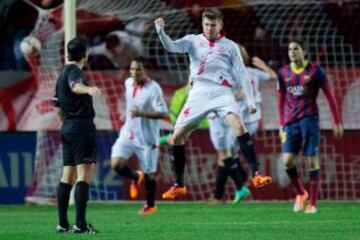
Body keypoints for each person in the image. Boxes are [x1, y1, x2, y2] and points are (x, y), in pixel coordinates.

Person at [154, 8, 272, 200]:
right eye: (207, 24)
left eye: (213, 24)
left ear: (221, 25)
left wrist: (250, 101)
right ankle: (180, 184)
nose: (209, 28)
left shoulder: (230, 46)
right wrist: (160, 31)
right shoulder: (192, 41)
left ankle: (257, 174)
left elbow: (243, 74)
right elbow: (171, 46)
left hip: (222, 92)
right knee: (177, 138)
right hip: (198, 91)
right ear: (202, 24)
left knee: (239, 126)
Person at [277, 39, 344, 214]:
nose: (292, 52)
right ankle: (301, 193)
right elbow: (281, 98)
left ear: (303, 51)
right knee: (287, 161)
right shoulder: (283, 72)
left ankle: (312, 203)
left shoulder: (315, 71)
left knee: (311, 160)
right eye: (290, 49)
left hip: (309, 121)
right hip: (290, 123)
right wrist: (281, 123)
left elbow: (330, 96)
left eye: (296, 49)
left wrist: (337, 121)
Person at [207, 45, 277, 204]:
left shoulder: (235, 74)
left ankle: (224, 193)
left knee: (224, 156)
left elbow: (237, 95)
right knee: (228, 156)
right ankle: (239, 185)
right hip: (251, 121)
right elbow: (272, 76)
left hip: (242, 122)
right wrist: (262, 65)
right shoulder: (252, 72)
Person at [53, 37, 101, 233]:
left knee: (67, 176)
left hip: (67, 127)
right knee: (84, 175)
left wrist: (69, 120)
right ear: (84, 54)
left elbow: (57, 105)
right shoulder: (74, 72)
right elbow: (75, 86)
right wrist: (89, 89)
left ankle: (62, 224)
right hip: (81, 128)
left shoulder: (61, 74)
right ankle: (80, 225)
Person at [110, 57, 168, 214]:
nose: (134, 72)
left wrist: (140, 113)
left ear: (145, 71)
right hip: (128, 132)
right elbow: (131, 104)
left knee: (149, 174)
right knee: (116, 164)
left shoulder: (153, 88)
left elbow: (163, 113)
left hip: (147, 138)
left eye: (138, 69)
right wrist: (126, 115)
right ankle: (135, 177)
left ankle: (150, 205)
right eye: (132, 69)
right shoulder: (128, 83)